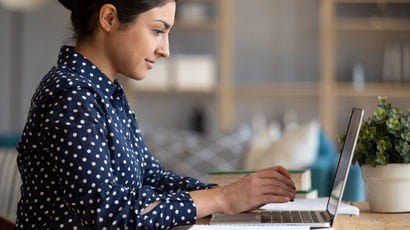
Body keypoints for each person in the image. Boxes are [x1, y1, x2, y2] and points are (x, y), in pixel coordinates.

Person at [15, 0, 296, 229]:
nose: (166, 50)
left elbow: (152, 177)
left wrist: (235, 194)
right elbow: (111, 214)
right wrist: (221, 198)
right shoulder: (72, 94)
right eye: (158, 30)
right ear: (109, 18)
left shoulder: (105, 93)